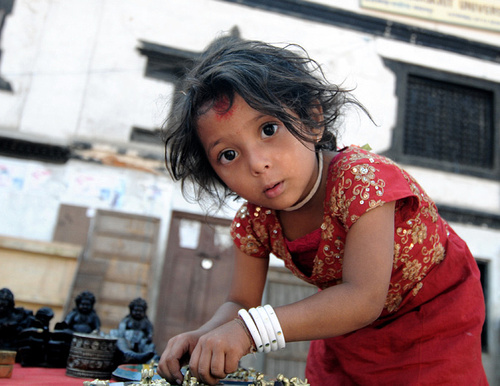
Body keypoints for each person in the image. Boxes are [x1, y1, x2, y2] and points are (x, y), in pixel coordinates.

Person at [156, 36, 487, 385]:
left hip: (431, 321)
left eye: (269, 129)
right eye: (228, 155)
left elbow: (362, 298)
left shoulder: (362, 184)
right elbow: (240, 301)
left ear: (312, 119)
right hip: (344, 324)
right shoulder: (255, 221)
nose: (257, 163)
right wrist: (203, 336)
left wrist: (248, 332)